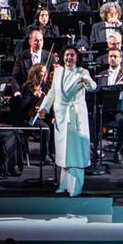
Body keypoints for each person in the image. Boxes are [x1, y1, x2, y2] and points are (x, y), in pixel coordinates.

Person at [39, 46, 97, 196]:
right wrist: (44, 108)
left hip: (75, 116)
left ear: (77, 57)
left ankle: (76, 187)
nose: (69, 58)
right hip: (61, 116)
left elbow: (93, 87)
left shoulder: (83, 72)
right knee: (63, 151)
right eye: (66, 55)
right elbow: (52, 92)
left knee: (75, 152)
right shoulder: (58, 72)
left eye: (72, 55)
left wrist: (87, 80)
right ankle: (64, 184)